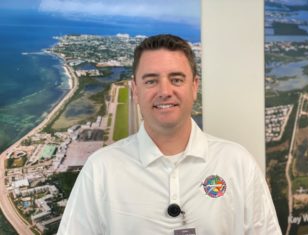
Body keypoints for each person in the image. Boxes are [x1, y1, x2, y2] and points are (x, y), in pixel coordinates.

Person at [57, 34, 282, 235]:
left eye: (176, 79)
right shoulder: (100, 170)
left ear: (194, 87)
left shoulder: (237, 163)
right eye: (151, 81)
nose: (165, 92)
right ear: (135, 90)